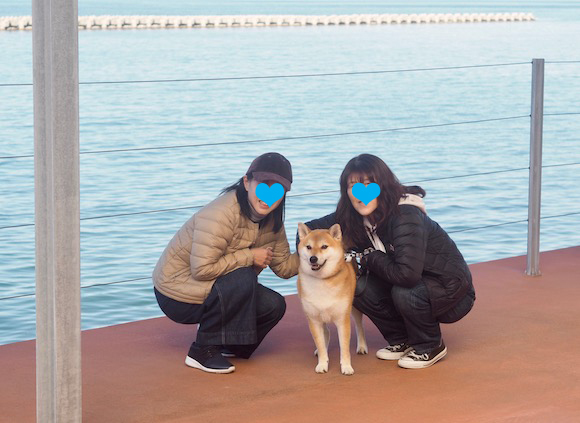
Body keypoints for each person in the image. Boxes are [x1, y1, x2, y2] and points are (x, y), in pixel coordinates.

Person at [299, 154, 475, 369]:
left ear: (383, 185)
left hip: (451, 290)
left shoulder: (405, 216)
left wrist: (369, 257)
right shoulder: (351, 216)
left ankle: (430, 345)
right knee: (358, 287)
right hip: (407, 283)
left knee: (405, 291)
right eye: (352, 186)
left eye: (368, 184)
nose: (360, 193)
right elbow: (307, 230)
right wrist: (309, 260)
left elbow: (407, 276)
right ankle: (402, 339)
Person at [153, 152, 299, 374]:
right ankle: (202, 351)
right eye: (263, 184)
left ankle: (233, 345)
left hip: (213, 286)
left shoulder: (272, 220)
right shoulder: (221, 213)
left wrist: (318, 248)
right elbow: (202, 270)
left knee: (274, 305)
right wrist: (250, 257)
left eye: (277, 189)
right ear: (247, 182)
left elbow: (285, 267)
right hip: (175, 290)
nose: (268, 196)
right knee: (244, 276)